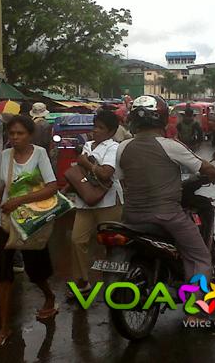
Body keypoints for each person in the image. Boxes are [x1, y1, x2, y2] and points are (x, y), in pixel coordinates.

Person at [116, 95, 215, 282]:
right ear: (163, 118)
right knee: (199, 256)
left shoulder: (123, 147)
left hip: (131, 215)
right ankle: (195, 308)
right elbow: (204, 167)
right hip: (166, 215)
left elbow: (123, 180)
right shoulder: (170, 146)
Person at [0, 115, 58, 348]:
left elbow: (52, 187)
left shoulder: (40, 154)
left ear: (30, 134)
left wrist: (20, 200)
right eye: (12, 133)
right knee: (4, 275)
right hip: (5, 222)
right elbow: (2, 185)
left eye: (20, 133)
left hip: (31, 222)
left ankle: (49, 296)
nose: (15, 138)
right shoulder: (5, 156)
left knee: (36, 272)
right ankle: (4, 328)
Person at [69, 110, 123, 297]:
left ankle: (118, 282)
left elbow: (106, 173)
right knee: (77, 240)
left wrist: (87, 163)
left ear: (111, 131)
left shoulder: (113, 147)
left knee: (113, 244)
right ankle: (82, 281)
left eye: (101, 128)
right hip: (85, 200)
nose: (96, 131)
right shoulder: (88, 145)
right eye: (95, 126)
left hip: (108, 202)